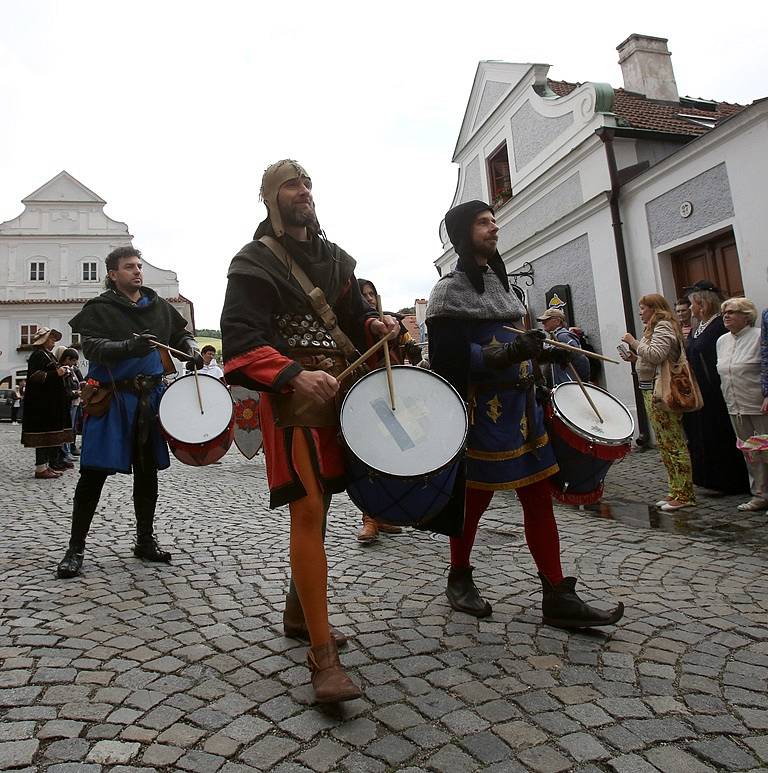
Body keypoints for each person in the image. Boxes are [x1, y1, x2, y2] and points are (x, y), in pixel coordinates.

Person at [220, 159, 398, 703]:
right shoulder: (253, 263)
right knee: (309, 508)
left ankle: (298, 615)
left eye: (308, 184)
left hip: (342, 391)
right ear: (272, 198)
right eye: (292, 185)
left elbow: (353, 316)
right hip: (294, 399)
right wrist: (293, 374)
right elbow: (240, 338)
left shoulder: (337, 260)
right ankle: (323, 657)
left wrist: (376, 323)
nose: (304, 192)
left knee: (325, 506)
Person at [427, 199, 624, 628]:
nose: (493, 227)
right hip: (483, 415)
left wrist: (542, 352)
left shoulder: (505, 286)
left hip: (523, 410)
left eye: (494, 221)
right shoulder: (447, 291)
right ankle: (458, 577)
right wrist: (505, 353)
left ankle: (555, 593)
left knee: (538, 500)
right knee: (474, 501)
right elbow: (448, 358)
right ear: (463, 232)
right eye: (483, 222)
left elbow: (518, 342)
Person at [56, 246, 203, 580]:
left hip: (149, 399)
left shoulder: (158, 306)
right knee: (92, 473)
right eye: (129, 267)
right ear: (112, 274)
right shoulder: (100, 309)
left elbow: (181, 333)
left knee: (147, 472)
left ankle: (144, 540)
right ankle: (75, 548)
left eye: (139, 266)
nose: (137, 272)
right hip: (113, 399)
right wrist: (127, 347)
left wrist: (191, 349)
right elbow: (91, 346)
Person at [354, 277, 416, 543]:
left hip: (393, 394)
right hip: (367, 396)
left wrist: (409, 348)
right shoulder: (355, 324)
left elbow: (408, 347)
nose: (369, 298)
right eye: (364, 294)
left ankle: (384, 514)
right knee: (370, 457)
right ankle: (369, 518)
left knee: (395, 453)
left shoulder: (392, 321)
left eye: (372, 293)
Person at [621, 294, 696, 511]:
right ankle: (675, 489)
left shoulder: (663, 326)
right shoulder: (655, 327)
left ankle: (684, 493)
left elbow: (656, 355)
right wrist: (635, 359)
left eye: (643, 308)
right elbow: (653, 359)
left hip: (662, 392)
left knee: (673, 442)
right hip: (651, 390)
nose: (640, 312)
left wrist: (633, 342)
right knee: (664, 442)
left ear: (654, 308)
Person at [683, 281, 749, 494]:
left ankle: (730, 481)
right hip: (699, 390)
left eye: (693, 303)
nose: (691, 308)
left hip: (717, 390)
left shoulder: (719, 326)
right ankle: (708, 479)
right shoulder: (697, 327)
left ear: (702, 303)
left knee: (720, 434)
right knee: (702, 434)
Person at [716, 297, 768, 511]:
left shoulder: (758, 337)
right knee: (750, 452)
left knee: (766, 449)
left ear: (747, 316)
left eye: (732, 312)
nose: (726, 315)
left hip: (758, 403)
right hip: (734, 404)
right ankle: (760, 494)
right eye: (724, 312)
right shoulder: (722, 341)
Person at [20, 327, 74, 479]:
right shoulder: (38, 355)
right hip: (41, 404)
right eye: (51, 339)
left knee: (49, 436)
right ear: (44, 340)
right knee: (42, 436)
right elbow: (35, 376)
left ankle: (48, 466)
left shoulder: (48, 355)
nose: (54, 342)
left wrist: (63, 372)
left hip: (50, 403)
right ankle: (40, 468)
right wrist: (57, 373)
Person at [537, 308, 589, 387]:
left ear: (557, 321)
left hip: (570, 386)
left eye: (547, 320)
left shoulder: (562, 336)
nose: (543, 323)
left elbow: (581, 360)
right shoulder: (554, 337)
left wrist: (583, 382)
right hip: (564, 386)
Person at [58, 348, 83, 462]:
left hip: (74, 402)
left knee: (71, 428)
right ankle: (65, 452)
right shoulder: (64, 370)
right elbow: (66, 389)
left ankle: (67, 451)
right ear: (67, 359)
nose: (74, 364)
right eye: (73, 361)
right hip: (69, 402)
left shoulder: (71, 369)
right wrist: (76, 393)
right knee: (67, 428)